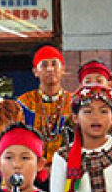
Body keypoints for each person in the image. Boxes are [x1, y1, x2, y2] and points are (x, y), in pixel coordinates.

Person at [18, 45, 72, 173]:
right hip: (32, 171)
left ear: (63, 69)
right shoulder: (24, 103)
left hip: (68, 170)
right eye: (44, 65)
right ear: (35, 72)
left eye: (54, 64)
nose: (50, 69)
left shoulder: (74, 102)